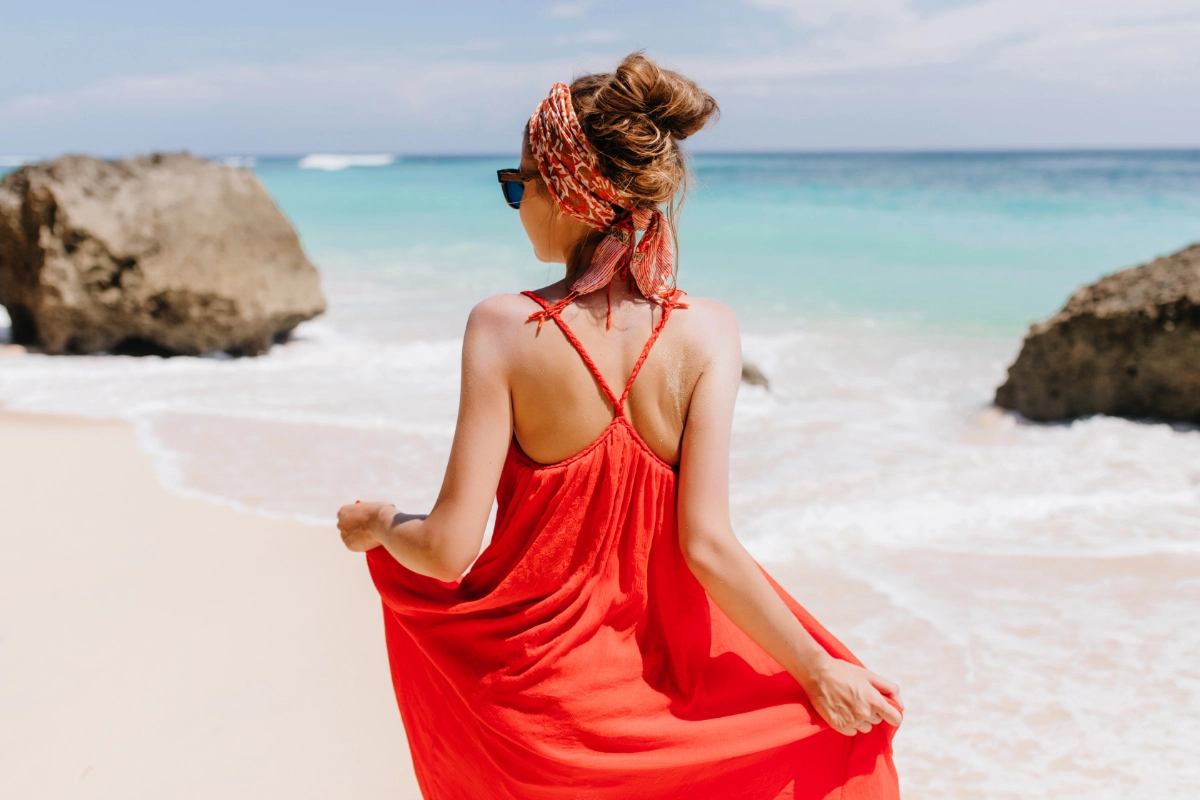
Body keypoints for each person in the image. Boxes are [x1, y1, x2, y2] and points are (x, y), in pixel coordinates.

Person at [336, 52, 903, 799]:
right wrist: (816, 668)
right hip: (661, 715)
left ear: (568, 189)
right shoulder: (711, 334)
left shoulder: (505, 327)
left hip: (535, 716)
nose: (514, 205)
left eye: (517, 186)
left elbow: (445, 552)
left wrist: (378, 522)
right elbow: (708, 545)